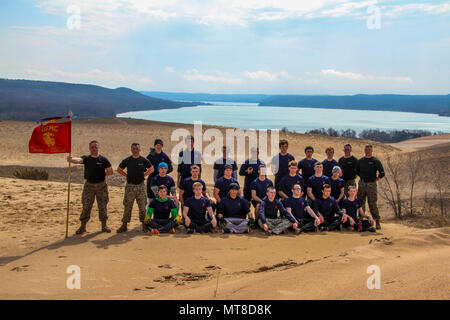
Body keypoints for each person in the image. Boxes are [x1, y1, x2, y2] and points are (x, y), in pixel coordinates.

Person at [67, 140, 113, 234]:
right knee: (86, 206)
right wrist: (71, 159)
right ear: (89, 148)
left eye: (95, 147)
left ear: (98, 148)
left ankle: (104, 226)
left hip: (101, 186)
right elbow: (79, 160)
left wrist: (102, 175)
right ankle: (82, 227)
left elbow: (110, 171)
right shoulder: (87, 158)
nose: (94, 149)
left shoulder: (103, 159)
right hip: (89, 186)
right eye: (92, 147)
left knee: (103, 206)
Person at [116, 142, 154, 233]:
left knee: (142, 207)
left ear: (140, 150)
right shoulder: (128, 160)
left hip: (140, 186)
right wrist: (126, 175)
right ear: (131, 149)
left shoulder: (143, 160)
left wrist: (144, 175)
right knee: (128, 206)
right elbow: (119, 169)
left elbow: (152, 169)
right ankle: (124, 225)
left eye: (137, 149)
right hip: (130, 186)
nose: (135, 150)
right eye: (133, 149)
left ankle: (144, 225)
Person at [356, 144, 385, 230]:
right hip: (362, 183)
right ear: (364, 150)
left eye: (369, 149)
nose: (367, 151)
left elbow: (382, 173)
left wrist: (376, 179)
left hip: (371, 184)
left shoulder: (375, 160)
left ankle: (377, 221)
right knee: (360, 202)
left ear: (371, 151)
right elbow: (357, 171)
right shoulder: (360, 161)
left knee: (372, 203)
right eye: (366, 149)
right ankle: (360, 220)